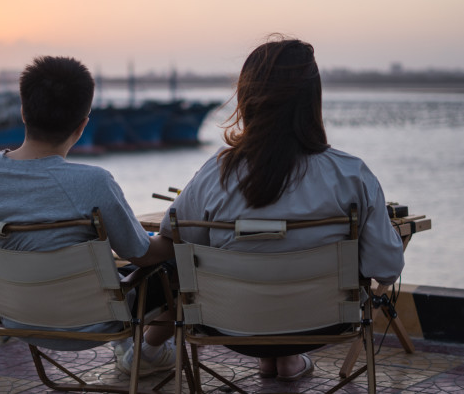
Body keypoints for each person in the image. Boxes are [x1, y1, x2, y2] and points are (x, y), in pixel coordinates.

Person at [156, 35, 405, 381]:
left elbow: (176, 243)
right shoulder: (351, 175)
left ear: (247, 99)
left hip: (228, 325)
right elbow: (387, 267)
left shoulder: (216, 175)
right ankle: (290, 358)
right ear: (312, 101)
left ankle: (280, 358)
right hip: (324, 326)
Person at [0, 56, 176, 376]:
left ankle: (138, 353)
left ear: (23, 111)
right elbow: (142, 255)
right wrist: (175, 235)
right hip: (95, 320)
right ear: (83, 124)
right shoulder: (94, 182)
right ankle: (147, 353)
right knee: (175, 269)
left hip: (10, 314)